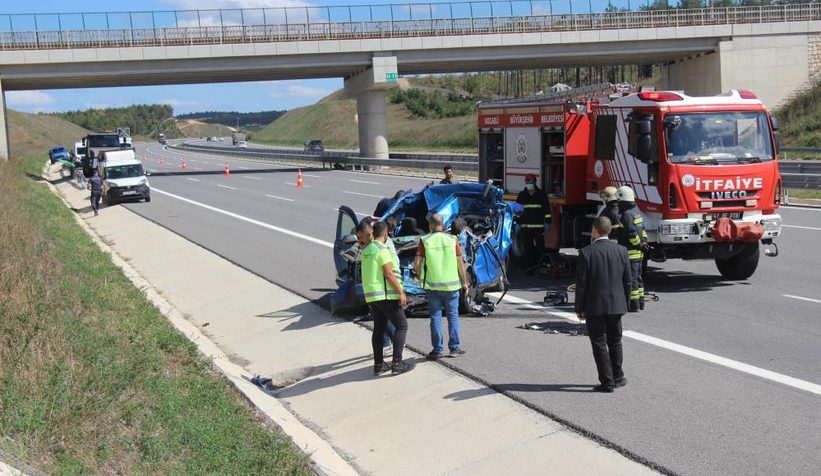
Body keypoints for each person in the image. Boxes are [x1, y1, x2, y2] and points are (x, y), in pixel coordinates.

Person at [575, 216, 631, 393]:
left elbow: (582, 284)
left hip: (595, 305)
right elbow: (628, 281)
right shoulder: (622, 251)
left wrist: (579, 307)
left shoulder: (587, 252)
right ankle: (618, 377)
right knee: (615, 341)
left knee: (599, 343)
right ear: (610, 231)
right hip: (617, 305)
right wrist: (625, 304)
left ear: (595, 230)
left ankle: (607, 382)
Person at [356, 221, 414, 376]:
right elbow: (388, 273)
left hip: (372, 297)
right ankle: (397, 363)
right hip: (385, 295)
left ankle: (379, 365)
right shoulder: (382, 249)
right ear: (386, 233)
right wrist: (400, 292)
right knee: (402, 326)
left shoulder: (366, 250)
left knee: (379, 329)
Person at [414, 213, 469, 360]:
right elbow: (460, 264)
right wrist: (464, 283)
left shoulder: (425, 240)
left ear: (430, 225)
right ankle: (454, 348)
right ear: (443, 225)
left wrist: (421, 277)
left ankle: (437, 350)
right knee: (453, 317)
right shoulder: (452, 240)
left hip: (432, 287)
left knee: (436, 318)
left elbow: (417, 263)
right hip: (451, 287)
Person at [617, 186, 649, 312]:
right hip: (640, 253)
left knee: (631, 279)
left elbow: (631, 233)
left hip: (631, 252)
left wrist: (638, 244)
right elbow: (643, 230)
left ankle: (633, 304)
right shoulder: (636, 212)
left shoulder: (626, 215)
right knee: (639, 277)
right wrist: (644, 243)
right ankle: (641, 302)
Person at [516, 173, 548, 273]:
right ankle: (529, 267)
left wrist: (548, 222)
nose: (529, 184)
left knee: (540, 248)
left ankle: (541, 267)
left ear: (535, 182)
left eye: (531, 182)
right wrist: (517, 223)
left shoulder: (541, 195)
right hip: (526, 227)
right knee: (528, 248)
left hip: (538, 227)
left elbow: (546, 210)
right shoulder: (522, 195)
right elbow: (518, 212)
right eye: (527, 182)